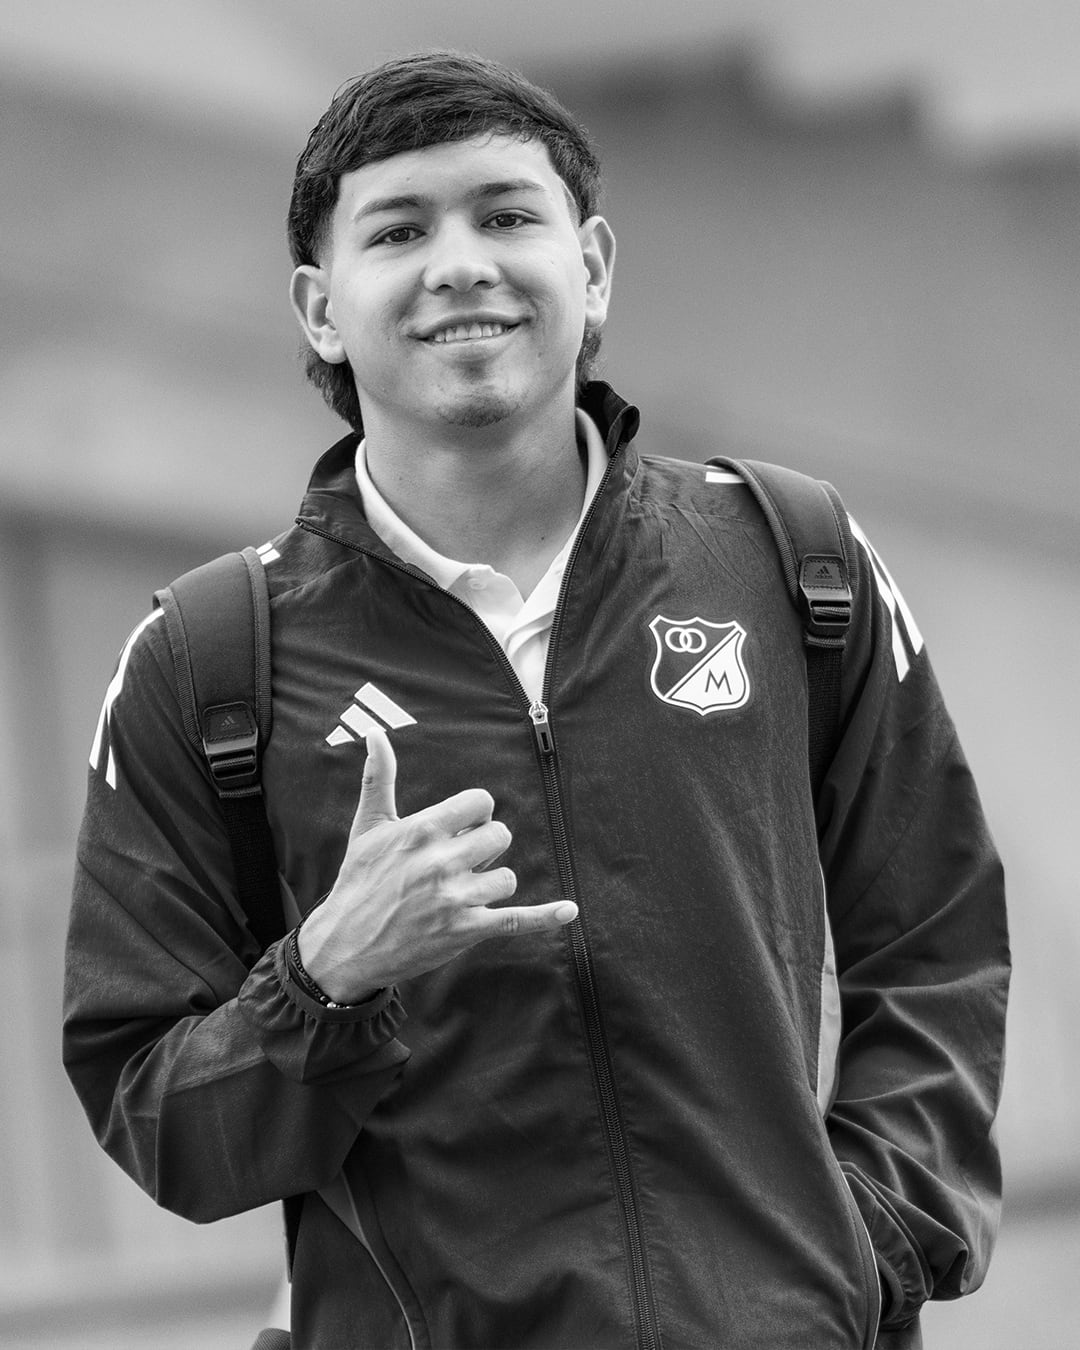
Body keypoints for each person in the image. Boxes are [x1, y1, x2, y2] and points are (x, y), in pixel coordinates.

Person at [63, 50, 1009, 1350]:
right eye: (399, 229)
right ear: (320, 306)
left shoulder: (795, 561)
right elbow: (159, 1115)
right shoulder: (208, 659)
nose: (461, 261)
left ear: (595, 267)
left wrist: (872, 1244)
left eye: (508, 215)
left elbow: (938, 936)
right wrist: (324, 976)